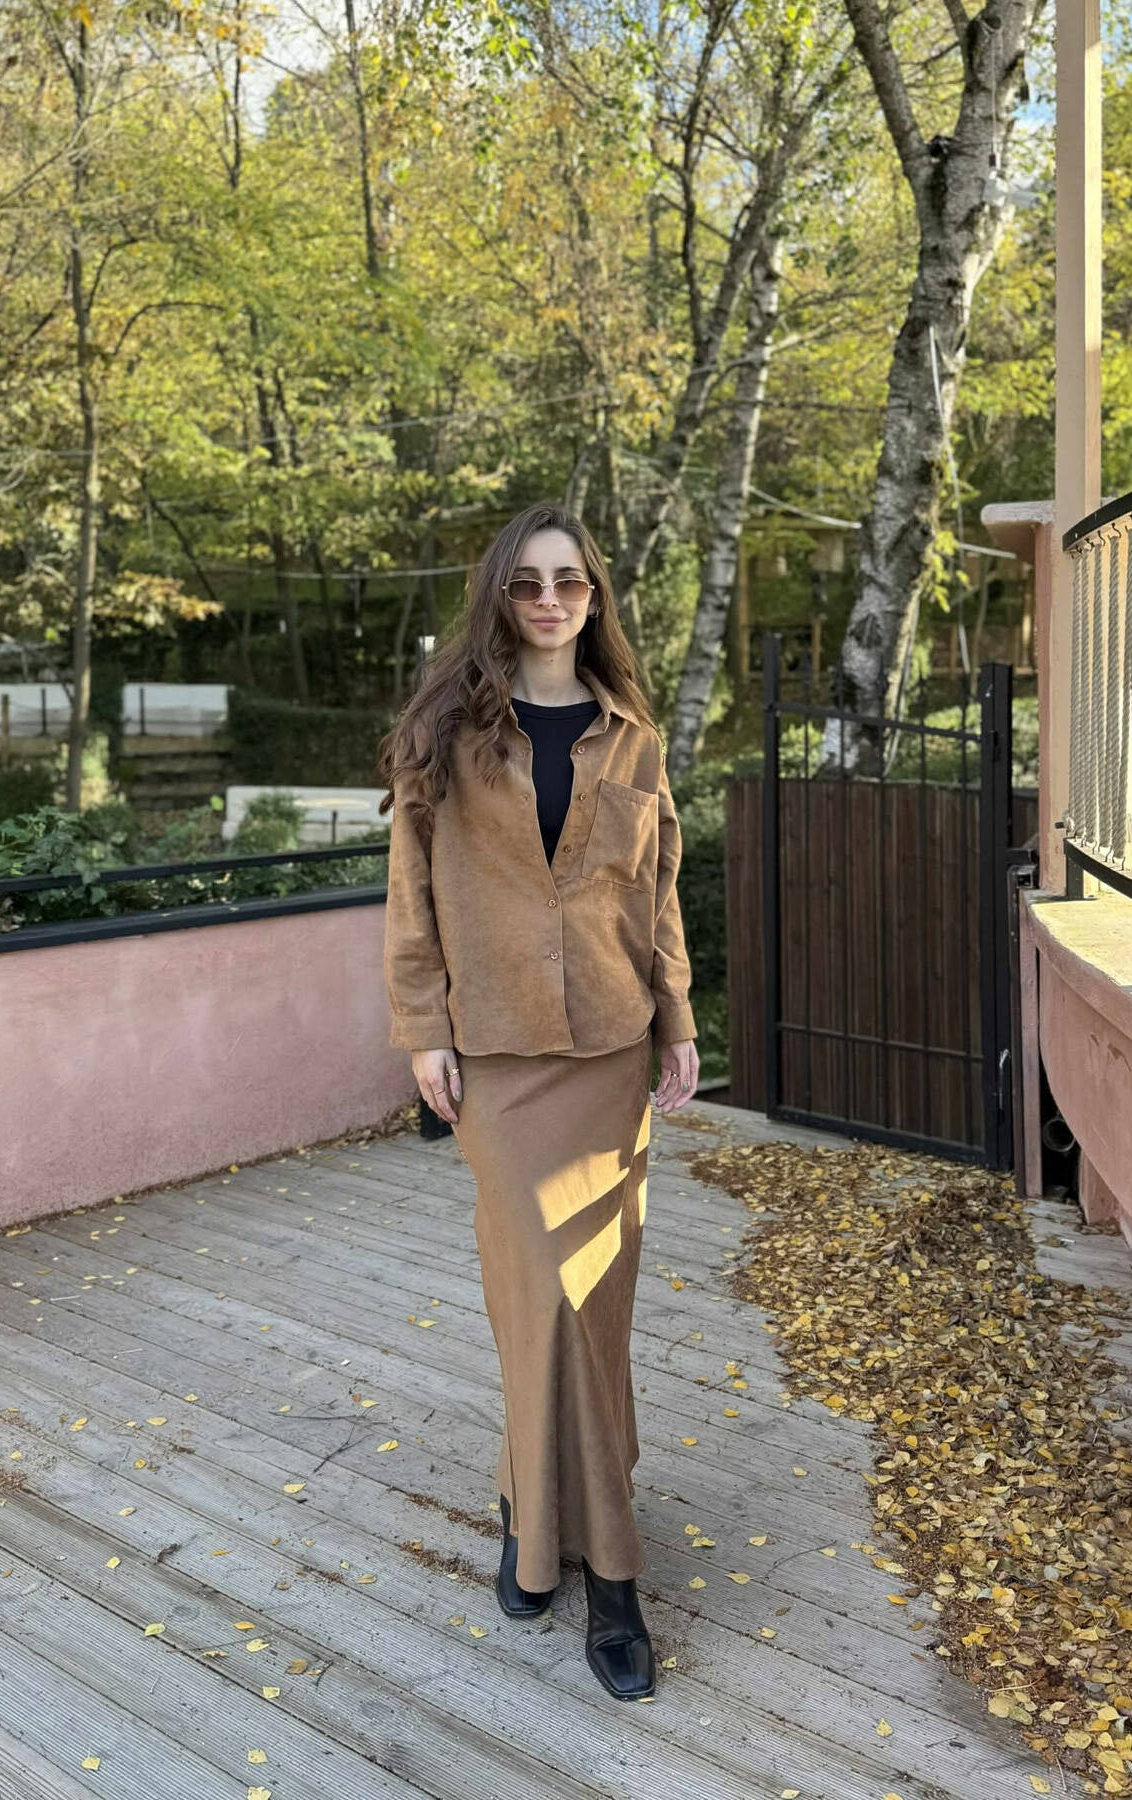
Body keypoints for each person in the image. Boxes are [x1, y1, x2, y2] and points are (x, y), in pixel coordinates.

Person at [377, 500, 699, 1701]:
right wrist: (422, 1030)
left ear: (595, 597)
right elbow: (411, 893)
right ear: (500, 598)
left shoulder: (634, 739)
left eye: (570, 581)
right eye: (528, 583)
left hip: (612, 1053)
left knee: (590, 1312)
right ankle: (569, 1545)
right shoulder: (446, 734)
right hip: (501, 1058)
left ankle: (584, 1555)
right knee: (537, 1302)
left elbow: (657, 894)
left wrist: (679, 1020)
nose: (551, 600)